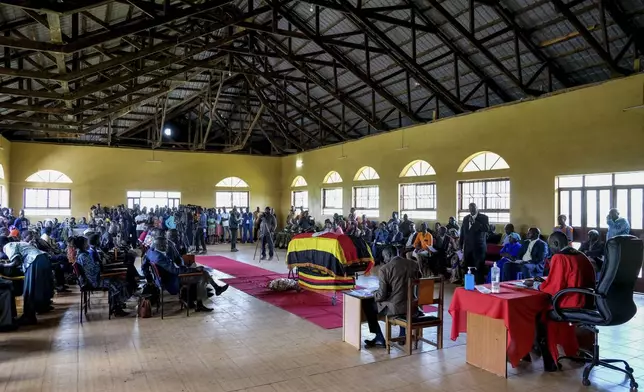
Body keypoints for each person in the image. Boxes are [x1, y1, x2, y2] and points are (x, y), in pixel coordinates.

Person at [525, 231, 596, 372]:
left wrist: (536, 285)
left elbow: (554, 287)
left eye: (551, 246)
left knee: (537, 310)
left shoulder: (560, 257)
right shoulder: (581, 255)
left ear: (556, 244)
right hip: (587, 301)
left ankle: (544, 355)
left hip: (570, 302)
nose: (550, 250)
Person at [144, 237, 224, 312]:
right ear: (160, 246)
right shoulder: (159, 257)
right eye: (165, 245)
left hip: (167, 277)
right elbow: (175, 270)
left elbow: (144, 265)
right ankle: (200, 302)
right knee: (201, 276)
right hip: (172, 280)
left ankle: (216, 288)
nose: (167, 246)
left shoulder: (151, 252)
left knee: (203, 272)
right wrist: (193, 270)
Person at [363, 247, 421, 348]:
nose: (384, 260)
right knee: (401, 298)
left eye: (384, 257)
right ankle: (402, 333)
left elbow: (381, 295)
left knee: (367, 305)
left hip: (396, 307)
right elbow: (419, 280)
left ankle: (379, 337)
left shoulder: (385, 269)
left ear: (389, 255)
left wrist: (374, 294)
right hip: (413, 305)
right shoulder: (413, 264)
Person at [0, 237, 54, 325]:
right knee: (39, 288)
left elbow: (16, 262)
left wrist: (2, 265)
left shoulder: (7, 246)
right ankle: (41, 308)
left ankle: (29, 317)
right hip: (43, 259)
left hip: (35, 260)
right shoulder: (19, 243)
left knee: (29, 290)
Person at [459, 203, 489, 284]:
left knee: (478, 268)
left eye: (473, 208)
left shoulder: (484, 218)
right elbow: (463, 233)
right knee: (467, 268)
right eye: (470, 208)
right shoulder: (465, 218)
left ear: (477, 208)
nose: (471, 210)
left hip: (479, 248)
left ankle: (479, 286)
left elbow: (486, 229)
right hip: (468, 248)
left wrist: (475, 222)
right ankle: (468, 285)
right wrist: (460, 245)